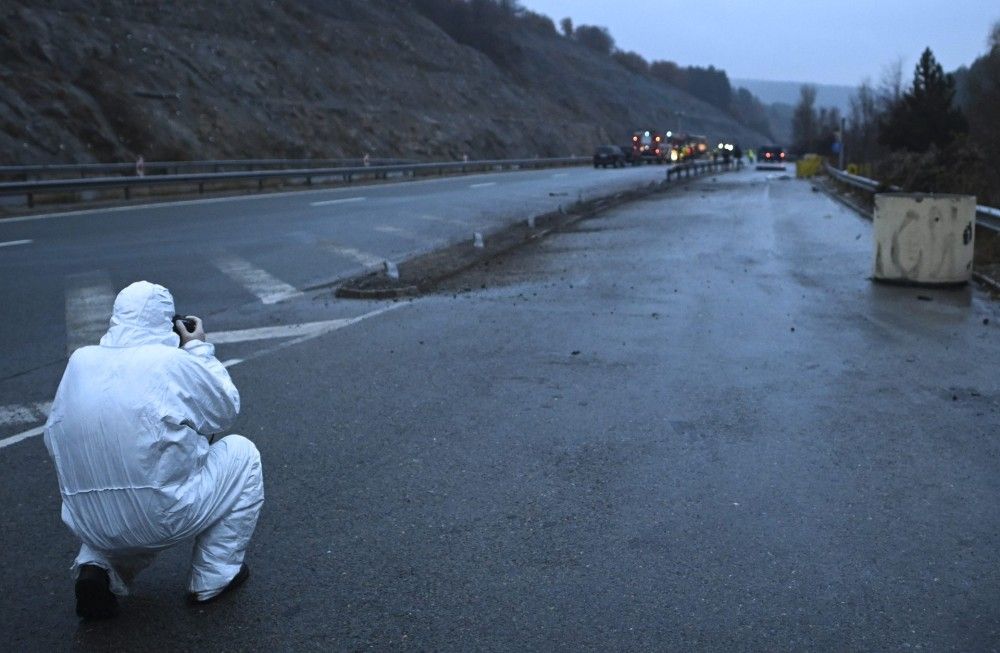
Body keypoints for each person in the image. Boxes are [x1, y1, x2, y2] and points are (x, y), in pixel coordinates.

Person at [44, 281, 264, 619]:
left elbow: (53, 436)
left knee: (112, 486)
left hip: (87, 520)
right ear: (166, 322)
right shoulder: (170, 362)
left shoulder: (80, 362)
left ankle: (95, 566)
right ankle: (214, 577)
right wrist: (196, 348)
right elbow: (225, 409)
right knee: (242, 455)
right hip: (158, 517)